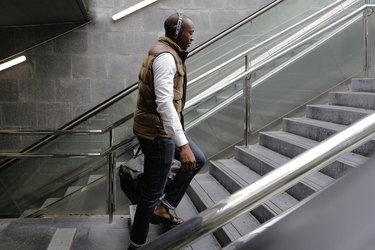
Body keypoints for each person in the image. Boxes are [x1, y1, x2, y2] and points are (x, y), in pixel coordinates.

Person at [128, 13, 205, 249]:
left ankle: (165, 207)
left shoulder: (166, 51)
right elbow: (164, 105)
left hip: (159, 128)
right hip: (158, 133)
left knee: (198, 159)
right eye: (190, 32)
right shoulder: (166, 58)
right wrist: (182, 146)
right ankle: (137, 244)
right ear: (177, 33)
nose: (193, 37)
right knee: (151, 192)